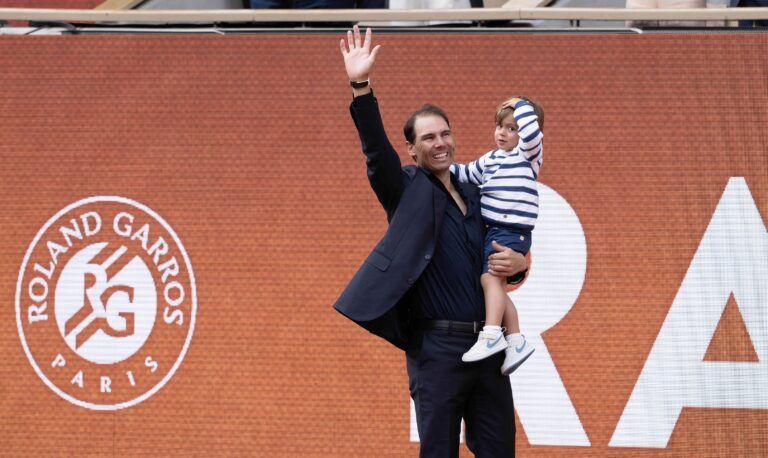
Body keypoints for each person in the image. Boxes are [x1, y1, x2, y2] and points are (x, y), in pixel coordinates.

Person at [333, 26, 527, 457]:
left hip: (488, 346)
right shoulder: (405, 188)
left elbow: (503, 248)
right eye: (428, 138)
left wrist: (518, 264)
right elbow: (376, 153)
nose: (440, 144)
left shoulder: (478, 192)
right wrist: (360, 88)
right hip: (437, 349)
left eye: (445, 134)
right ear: (412, 150)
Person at [452, 96, 543, 375]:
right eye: (500, 126)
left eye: (512, 128)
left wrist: (521, 103)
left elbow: (530, 129)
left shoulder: (528, 156)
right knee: (496, 288)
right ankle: (515, 341)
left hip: (513, 232)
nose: (503, 133)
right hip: (494, 231)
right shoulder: (490, 160)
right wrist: (433, 167)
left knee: (489, 279)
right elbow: (464, 173)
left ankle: (491, 334)